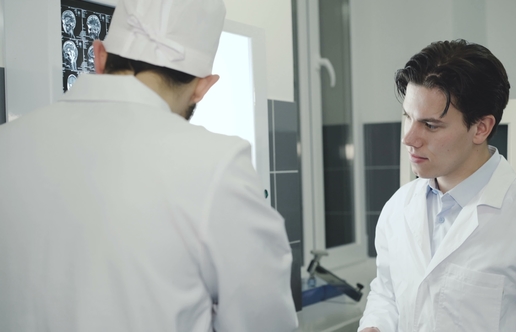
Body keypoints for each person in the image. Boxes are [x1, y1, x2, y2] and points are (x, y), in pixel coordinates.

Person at [0, 0, 298, 331]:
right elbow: (266, 322)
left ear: (99, 57)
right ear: (203, 87)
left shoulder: (7, 144)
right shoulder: (218, 164)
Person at [358, 39, 516, 332]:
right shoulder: (397, 209)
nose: (409, 138)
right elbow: (387, 293)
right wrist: (375, 325)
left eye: (430, 125)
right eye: (408, 117)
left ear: (481, 128)